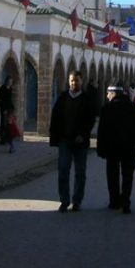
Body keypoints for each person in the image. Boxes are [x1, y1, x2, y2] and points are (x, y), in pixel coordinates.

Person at [96, 85, 135, 214]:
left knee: (112, 175)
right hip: (129, 148)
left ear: (114, 93)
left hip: (112, 148)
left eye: (108, 93)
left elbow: (102, 131)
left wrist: (100, 148)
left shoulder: (107, 108)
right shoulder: (132, 107)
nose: (107, 95)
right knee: (127, 175)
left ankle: (114, 202)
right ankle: (125, 201)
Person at [49, 71, 96, 212]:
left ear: (81, 81)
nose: (74, 83)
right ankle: (64, 200)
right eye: (71, 81)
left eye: (76, 80)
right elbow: (56, 118)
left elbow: (90, 119)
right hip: (65, 140)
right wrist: (55, 136)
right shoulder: (63, 98)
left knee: (80, 172)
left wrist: (83, 133)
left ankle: (77, 201)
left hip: (80, 142)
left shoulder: (87, 99)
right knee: (63, 170)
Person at [0, 78, 14, 144]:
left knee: (9, 124)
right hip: (4, 108)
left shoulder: (10, 88)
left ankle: (7, 138)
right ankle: (2, 139)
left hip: (9, 108)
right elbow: (1, 99)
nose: (10, 82)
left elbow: (10, 99)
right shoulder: (3, 88)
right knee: (3, 123)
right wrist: (3, 108)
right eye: (10, 81)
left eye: (11, 81)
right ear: (7, 81)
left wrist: (12, 107)